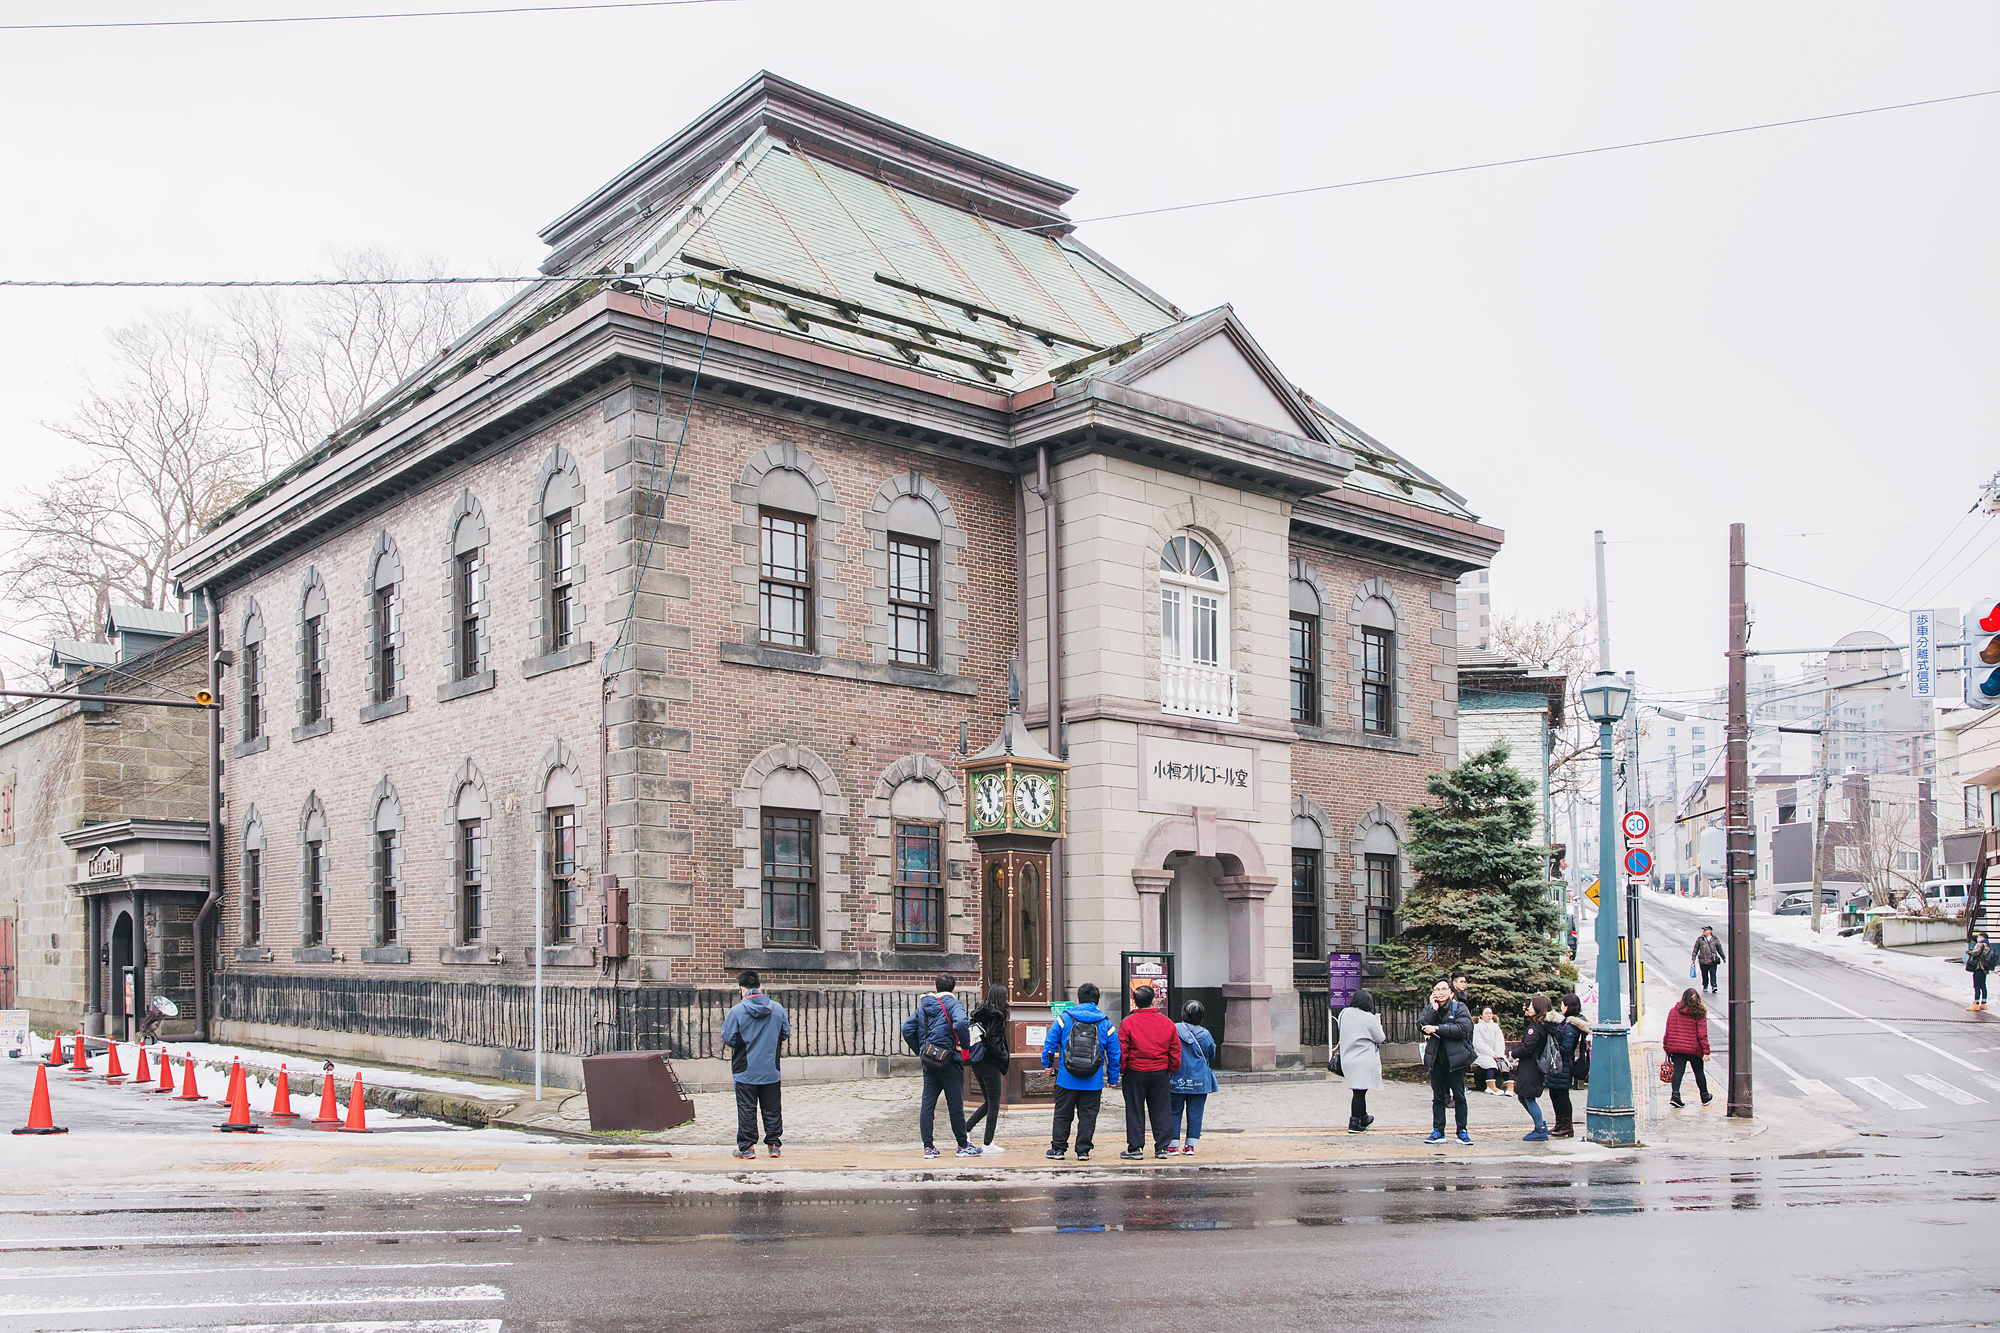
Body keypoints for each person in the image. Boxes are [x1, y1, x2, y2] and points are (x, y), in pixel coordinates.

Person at [902, 973, 978, 1158]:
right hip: (949, 1061)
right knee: (955, 1105)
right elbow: (960, 1023)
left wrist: (922, 1050)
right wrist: (964, 1045)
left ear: (936, 988)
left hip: (930, 1062)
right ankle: (962, 1145)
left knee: (927, 1104)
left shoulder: (924, 1006)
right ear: (953, 989)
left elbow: (907, 1028)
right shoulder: (954, 1004)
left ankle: (928, 1147)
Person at [1041, 982, 1119, 1161]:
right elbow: (1114, 1053)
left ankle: (1058, 1149)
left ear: (1078, 999)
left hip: (1066, 1078)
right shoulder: (1106, 1022)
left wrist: (1047, 1065)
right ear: (1097, 1002)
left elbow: (1050, 1044)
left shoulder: (1064, 1018)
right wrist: (1113, 1077)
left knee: (1062, 1114)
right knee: (1088, 1116)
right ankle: (1083, 1150)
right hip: (1093, 1080)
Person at [719, 971, 789, 1160]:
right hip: (771, 1069)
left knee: (746, 1109)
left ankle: (747, 1147)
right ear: (760, 987)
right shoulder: (777, 1008)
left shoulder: (737, 1011)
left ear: (742, 989)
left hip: (745, 1070)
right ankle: (774, 1145)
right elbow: (785, 1032)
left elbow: (728, 1037)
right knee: (772, 1108)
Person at [1117, 984, 1181, 1159]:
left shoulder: (1128, 1022)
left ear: (1134, 1002)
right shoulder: (1167, 1022)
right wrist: (1171, 1068)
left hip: (1135, 1071)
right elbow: (1175, 1050)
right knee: (1161, 1109)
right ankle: (1162, 1147)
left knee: (1134, 1109)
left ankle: (1135, 1147)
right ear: (1153, 1000)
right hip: (1160, 1071)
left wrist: (1122, 1070)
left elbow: (1123, 1050)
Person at [1418, 979, 1475, 1145]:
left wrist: (1437, 1029)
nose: (1441, 992)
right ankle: (1438, 1131)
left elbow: (1463, 1028)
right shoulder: (1430, 1009)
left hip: (1456, 1060)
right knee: (1438, 1097)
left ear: (1451, 992)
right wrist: (1433, 1011)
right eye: (1437, 989)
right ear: (1433, 993)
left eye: (1444, 989)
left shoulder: (1459, 1008)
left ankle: (1462, 1131)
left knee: (1459, 1096)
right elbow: (1421, 1025)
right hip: (1437, 1059)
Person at [962, 984, 1012, 1151]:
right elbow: (996, 1043)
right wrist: (1004, 1058)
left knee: (988, 1102)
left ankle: (966, 1129)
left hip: (977, 1061)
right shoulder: (997, 1017)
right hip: (990, 1062)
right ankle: (988, 1142)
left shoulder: (978, 1013)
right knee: (994, 1103)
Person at [1166, 1000, 1218, 1155]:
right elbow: (1211, 1053)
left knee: (1174, 1112)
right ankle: (1190, 1145)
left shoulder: (1174, 1029)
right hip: (1200, 1080)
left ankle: (1173, 1144)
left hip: (1176, 1079)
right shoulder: (1205, 1034)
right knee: (1195, 1113)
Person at [1337, 988, 1386, 1133]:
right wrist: (1378, 1023)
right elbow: (1380, 1038)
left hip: (1347, 1058)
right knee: (1359, 1092)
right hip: (1363, 1059)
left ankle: (1364, 1117)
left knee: (1359, 1089)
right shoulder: (1369, 1018)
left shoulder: (1344, 1013)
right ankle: (1354, 1123)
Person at [1545, 993, 1591, 1137]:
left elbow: (1566, 1049)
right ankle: (1559, 1124)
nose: (1561, 1007)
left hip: (1563, 1065)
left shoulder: (1571, 1026)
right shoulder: (1566, 1023)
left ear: (1568, 1006)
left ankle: (1567, 1126)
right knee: (1555, 1093)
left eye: (1563, 1004)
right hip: (1559, 1064)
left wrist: (1554, 1045)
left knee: (1562, 1096)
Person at [1663, 987, 1713, 1108]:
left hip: (1677, 1049)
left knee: (1678, 1071)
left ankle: (1675, 1096)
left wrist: (1666, 1047)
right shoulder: (1699, 1012)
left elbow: (1668, 1030)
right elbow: (1702, 1034)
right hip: (1694, 1049)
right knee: (1699, 1072)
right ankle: (1704, 1096)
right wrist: (1705, 1051)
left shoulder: (1673, 1011)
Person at [1512, 996, 1553, 1141]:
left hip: (1531, 1067)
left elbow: (1527, 1048)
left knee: (1528, 1097)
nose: (1528, 1008)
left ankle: (1540, 1129)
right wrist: (1526, 1014)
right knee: (1523, 1096)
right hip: (1531, 1066)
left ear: (1539, 1009)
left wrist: (1513, 1054)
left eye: (1531, 1006)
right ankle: (1540, 1124)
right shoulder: (1541, 1025)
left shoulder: (1535, 1029)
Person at [1471, 1006, 1509, 1095]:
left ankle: (1509, 1086)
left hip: (1495, 1053)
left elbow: (1500, 1040)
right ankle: (1490, 1087)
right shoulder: (1477, 1027)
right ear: (1481, 1015)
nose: (1489, 1016)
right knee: (1490, 1063)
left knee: (1503, 1063)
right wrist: (1491, 1054)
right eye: (1486, 1014)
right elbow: (1478, 1044)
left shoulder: (1495, 1026)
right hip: (1481, 1054)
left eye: (1490, 1013)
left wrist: (1499, 1053)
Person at [1966, 934, 1996, 1012]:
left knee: (1977, 986)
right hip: (1985, 968)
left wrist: (1969, 952)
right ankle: (1984, 1003)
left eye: (1979, 937)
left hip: (1978, 967)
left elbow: (1975, 953)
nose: (1978, 938)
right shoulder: (1988, 945)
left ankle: (1976, 1003)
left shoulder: (1980, 944)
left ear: (1982, 938)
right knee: (1983, 985)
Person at [1692, 927, 1725, 994]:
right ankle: (1705, 985)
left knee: (1713, 973)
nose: (1704, 931)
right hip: (1703, 960)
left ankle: (1714, 986)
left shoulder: (1715, 940)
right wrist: (1693, 958)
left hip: (1712, 960)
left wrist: (1723, 957)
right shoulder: (1700, 939)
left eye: (1706, 930)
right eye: (1704, 930)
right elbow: (1695, 949)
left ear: (1710, 931)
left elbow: (1719, 949)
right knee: (1704, 974)